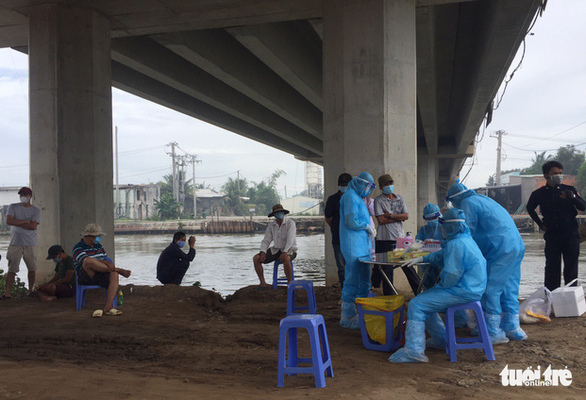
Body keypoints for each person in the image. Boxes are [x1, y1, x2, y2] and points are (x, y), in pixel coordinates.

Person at [389, 208, 487, 363]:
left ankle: (414, 351)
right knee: (424, 300)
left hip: (461, 290)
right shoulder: (464, 240)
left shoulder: (456, 244)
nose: (441, 229)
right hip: (470, 288)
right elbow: (440, 255)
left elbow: (452, 275)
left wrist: (440, 286)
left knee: (416, 304)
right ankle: (440, 340)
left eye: (443, 225)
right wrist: (421, 259)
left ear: (449, 226)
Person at [446, 180, 527, 343]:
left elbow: (466, 231)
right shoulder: (484, 199)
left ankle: (491, 330)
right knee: (510, 287)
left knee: (491, 288)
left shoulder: (467, 203)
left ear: (455, 199)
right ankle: (512, 327)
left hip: (500, 248)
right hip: (516, 245)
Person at [526, 160, 586, 291]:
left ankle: (570, 297)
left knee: (571, 268)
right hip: (552, 236)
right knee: (552, 268)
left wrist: (573, 197)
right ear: (546, 176)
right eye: (555, 173)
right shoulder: (540, 193)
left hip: (571, 235)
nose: (559, 175)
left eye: (560, 173)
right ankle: (551, 298)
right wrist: (540, 224)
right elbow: (530, 208)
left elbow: (583, 206)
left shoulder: (569, 190)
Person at [339, 172, 376, 329]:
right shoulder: (350, 197)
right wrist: (366, 226)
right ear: (362, 184)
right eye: (368, 187)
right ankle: (347, 315)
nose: (368, 190)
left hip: (362, 245)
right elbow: (351, 220)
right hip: (353, 245)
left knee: (364, 280)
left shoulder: (359, 198)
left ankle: (362, 313)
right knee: (353, 278)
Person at [372, 174, 420, 294]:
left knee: (407, 264)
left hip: (400, 238)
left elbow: (406, 216)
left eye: (390, 183)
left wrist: (390, 215)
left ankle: (419, 291)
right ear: (381, 186)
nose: (389, 186)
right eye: (386, 184)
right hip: (384, 239)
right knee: (387, 269)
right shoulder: (379, 200)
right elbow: (381, 220)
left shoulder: (400, 198)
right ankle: (389, 295)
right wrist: (399, 218)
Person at [72, 223, 131, 316]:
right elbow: (86, 262)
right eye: (97, 236)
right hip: (86, 275)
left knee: (114, 275)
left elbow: (104, 259)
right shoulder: (78, 248)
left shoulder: (99, 246)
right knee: (88, 261)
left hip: (101, 272)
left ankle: (109, 305)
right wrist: (104, 263)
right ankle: (118, 269)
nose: (99, 238)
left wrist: (107, 262)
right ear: (89, 236)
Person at [2, 187, 41, 299]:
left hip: (31, 243)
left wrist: (16, 222)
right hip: (15, 243)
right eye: (21, 194)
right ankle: (7, 293)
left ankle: (31, 291)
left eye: (25, 194)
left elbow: (33, 226)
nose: (22, 196)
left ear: (30, 196)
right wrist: (25, 221)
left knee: (32, 268)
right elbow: (9, 221)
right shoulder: (13, 207)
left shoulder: (35, 211)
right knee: (12, 268)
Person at [253, 204, 297, 287]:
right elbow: (266, 240)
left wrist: (285, 252)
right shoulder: (271, 226)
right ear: (274, 215)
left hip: (290, 250)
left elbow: (290, 240)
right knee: (256, 258)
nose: (279, 214)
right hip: (276, 250)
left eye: (280, 212)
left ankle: (289, 282)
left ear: (283, 213)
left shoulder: (290, 223)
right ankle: (263, 282)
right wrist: (262, 252)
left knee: (286, 258)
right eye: (277, 213)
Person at [325, 173, 353, 289]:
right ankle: (344, 290)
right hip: (338, 238)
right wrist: (336, 227)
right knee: (341, 266)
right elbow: (328, 217)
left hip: (352, 238)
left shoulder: (354, 199)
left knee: (352, 265)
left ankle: (353, 288)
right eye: (342, 185)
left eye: (346, 185)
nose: (344, 187)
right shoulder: (332, 199)